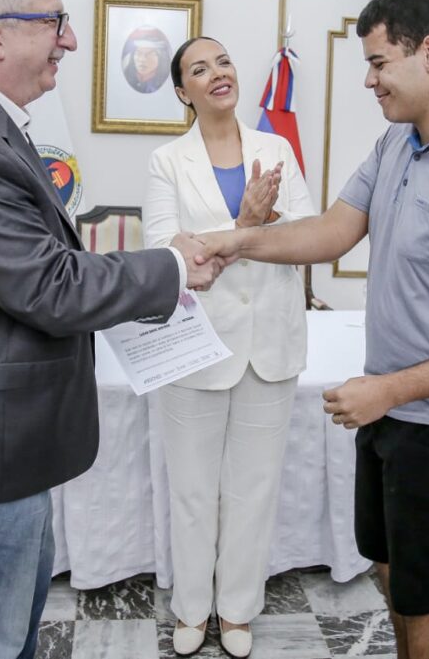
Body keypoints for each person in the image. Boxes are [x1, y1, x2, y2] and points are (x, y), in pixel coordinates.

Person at [0, 0, 223, 659]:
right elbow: (50, 286)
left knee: (9, 636)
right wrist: (176, 263)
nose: (68, 41)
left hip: (1, 443)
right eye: (56, 23)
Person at [195, 0, 429, 659]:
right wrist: (236, 240)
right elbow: (333, 230)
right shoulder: (399, 143)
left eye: (379, 61)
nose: (369, 80)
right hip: (393, 414)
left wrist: (389, 390)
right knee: (394, 574)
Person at [143, 37, 316, 659]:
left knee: (254, 487)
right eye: (199, 68)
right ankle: (192, 608)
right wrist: (247, 228)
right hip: (193, 345)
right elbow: (170, 251)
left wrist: (230, 238)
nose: (217, 73)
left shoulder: (276, 149)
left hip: (269, 340)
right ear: (182, 91)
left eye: (222, 62)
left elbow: (305, 236)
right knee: (192, 489)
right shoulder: (167, 161)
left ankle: (238, 610)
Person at [121, 25, 172, 93]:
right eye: (138, 53)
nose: (142, 59)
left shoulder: (163, 82)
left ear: (161, 58)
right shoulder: (128, 77)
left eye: (149, 54)